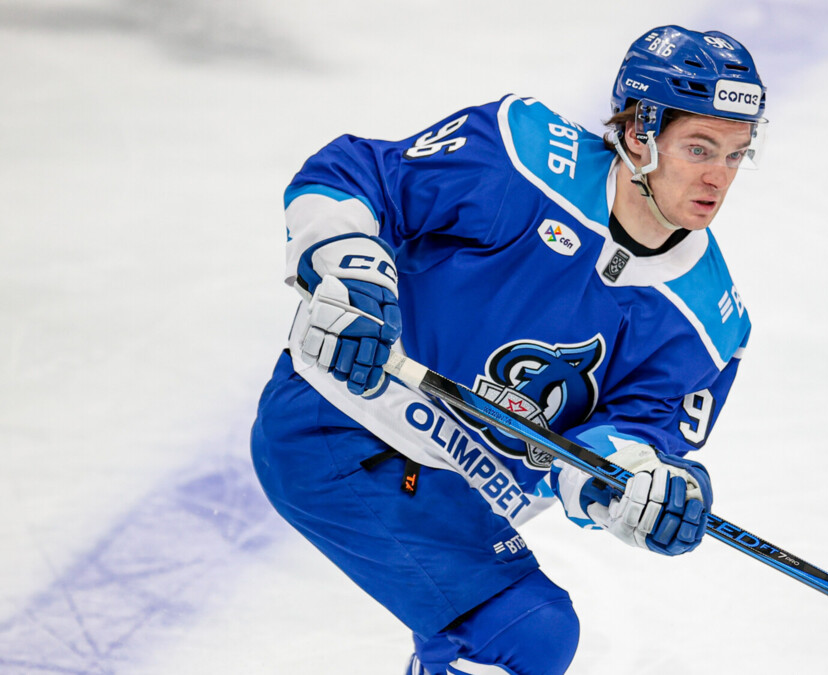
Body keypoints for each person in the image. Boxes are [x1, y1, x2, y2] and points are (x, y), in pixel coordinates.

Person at [251, 24, 767, 675]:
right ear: (640, 133)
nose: (719, 177)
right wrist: (348, 265)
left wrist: (640, 487)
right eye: (699, 148)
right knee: (528, 633)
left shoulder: (709, 323)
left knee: (522, 635)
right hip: (339, 423)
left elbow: (620, 442)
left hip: (456, 491)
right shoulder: (521, 158)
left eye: (736, 154)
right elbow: (356, 175)